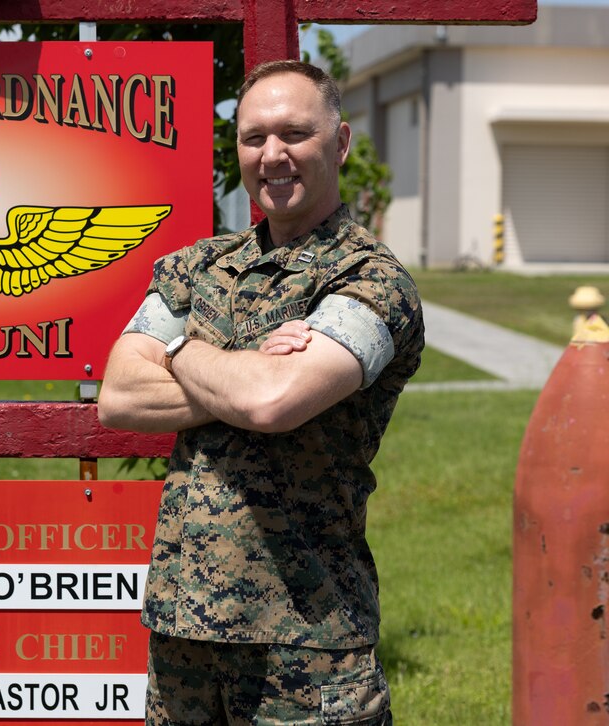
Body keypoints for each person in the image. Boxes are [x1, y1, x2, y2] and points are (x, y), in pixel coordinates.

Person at [99, 59, 424, 725]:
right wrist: (244, 366)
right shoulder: (198, 266)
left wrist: (180, 349)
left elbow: (273, 402)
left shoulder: (370, 280)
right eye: (253, 138)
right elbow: (119, 395)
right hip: (183, 635)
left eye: (294, 134)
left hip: (308, 644)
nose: (272, 154)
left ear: (339, 143)